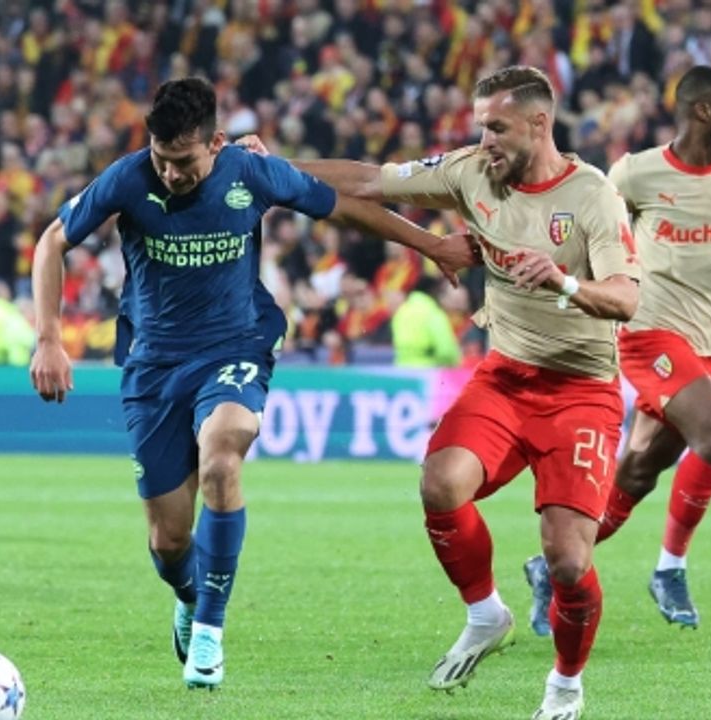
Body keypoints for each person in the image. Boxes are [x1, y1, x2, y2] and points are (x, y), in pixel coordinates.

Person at [29, 77, 477, 690]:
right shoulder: (128, 178)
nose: (171, 174)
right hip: (153, 366)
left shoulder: (251, 173)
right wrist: (49, 337)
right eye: (161, 158)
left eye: (184, 161)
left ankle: (209, 632)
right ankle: (189, 595)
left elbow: (342, 206)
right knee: (168, 542)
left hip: (235, 348)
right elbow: (52, 242)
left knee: (223, 458)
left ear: (216, 143)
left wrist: (430, 245)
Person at [243, 65, 640, 719]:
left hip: (581, 390)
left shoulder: (593, 195)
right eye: (481, 125)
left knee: (568, 561)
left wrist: (564, 283)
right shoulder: (469, 172)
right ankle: (486, 614)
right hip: (505, 376)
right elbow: (369, 180)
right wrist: (271, 168)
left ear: (540, 123)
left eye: (498, 127)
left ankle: (565, 686)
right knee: (440, 483)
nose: (485, 140)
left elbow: (625, 297)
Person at [526, 66, 711, 630]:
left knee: (640, 472)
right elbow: (591, 229)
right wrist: (577, 292)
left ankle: (548, 568)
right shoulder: (637, 172)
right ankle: (670, 568)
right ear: (702, 111)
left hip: (710, 341)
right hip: (649, 332)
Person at [391, 274, 462, 368]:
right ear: (433, 291)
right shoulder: (433, 313)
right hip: (429, 370)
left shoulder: (401, 311)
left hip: (401, 369)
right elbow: (446, 351)